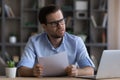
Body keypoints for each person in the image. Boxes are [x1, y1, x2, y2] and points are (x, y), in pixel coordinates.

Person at [17, 4, 95, 77]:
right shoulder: (34, 42)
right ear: (44, 26)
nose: (60, 26)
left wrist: (77, 72)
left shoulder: (76, 42)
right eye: (54, 23)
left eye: (62, 20)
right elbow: (21, 70)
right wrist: (32, 71)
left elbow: (90, 70)